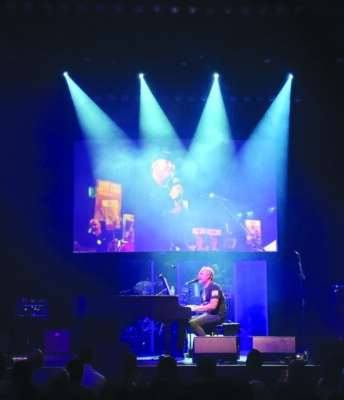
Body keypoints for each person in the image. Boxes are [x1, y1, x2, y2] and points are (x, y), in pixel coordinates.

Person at [131, 149, 190, 251]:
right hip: (147, 248)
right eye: (167, 162)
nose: (171, 165)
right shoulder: (141, 186)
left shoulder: (171, 189)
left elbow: (176, 223)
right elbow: (144, 214)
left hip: (167, 248)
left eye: (172, 163)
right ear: (154, 166)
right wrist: (170, 198)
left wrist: (181, 211)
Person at [187, 266, 227, 336]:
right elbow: (204, 306)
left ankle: (206, 344)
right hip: (207, 314)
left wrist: (195, 308)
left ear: (208, 275)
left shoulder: (214, 287)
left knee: (193, 324)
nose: (198, 276)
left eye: (201, 274)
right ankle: (181, 345)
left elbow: (212, 306)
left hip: (217, 315)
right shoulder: (202, 290)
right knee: (185, 320)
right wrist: (192, 307)